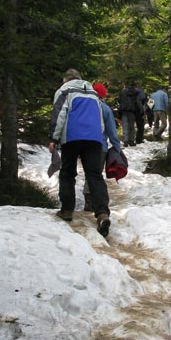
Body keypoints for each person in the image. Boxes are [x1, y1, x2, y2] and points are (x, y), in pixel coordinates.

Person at [48, 69, 111, 237]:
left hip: (72, 136)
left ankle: (67, 210)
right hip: (94, 138)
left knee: (68, 172)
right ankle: (102, 214)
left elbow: (60, 114)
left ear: (65, 80)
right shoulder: (93, 93)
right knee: (94, 175)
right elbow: (100, 119)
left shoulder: (64, 90)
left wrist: (53, 138)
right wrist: (100, 138)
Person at [84, 83, 122, 212]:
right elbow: (111, 130)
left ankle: (88, 201)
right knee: (95, 174)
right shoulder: (105, 108)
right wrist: (117, 147)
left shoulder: (84, 107)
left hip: (84, 145)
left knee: (88, 173)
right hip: (100, 147)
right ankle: (95, 203)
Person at [117, 81, 142, 146]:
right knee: (132, 126)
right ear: (134, 85)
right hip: (132, 111)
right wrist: (141, 111)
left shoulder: (122, 91)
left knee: (125, 126)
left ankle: (125, 141)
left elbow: (120, 101)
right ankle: (131, 141)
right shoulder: (136, 92)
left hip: (124, 110)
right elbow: (138, 102)